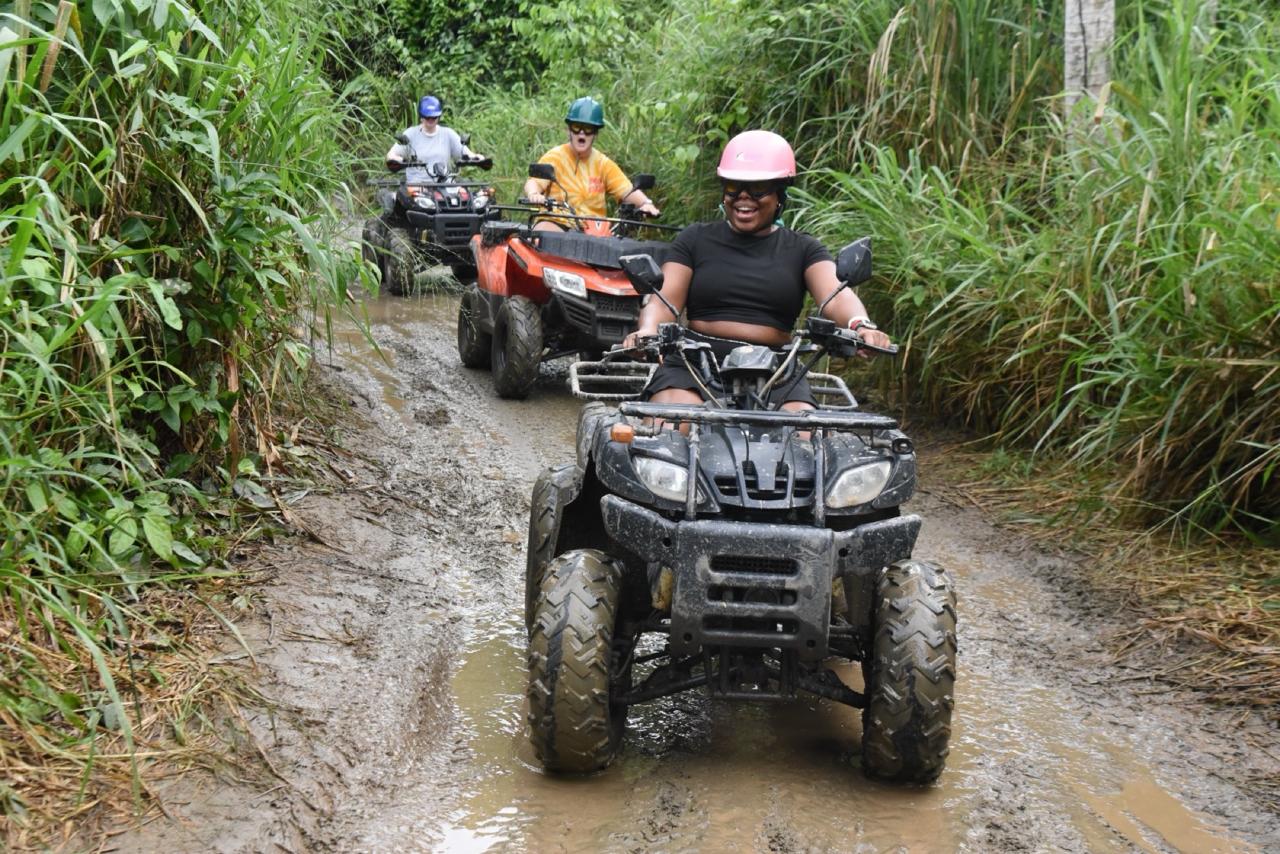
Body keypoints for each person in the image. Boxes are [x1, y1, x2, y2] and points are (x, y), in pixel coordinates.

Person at [623, 129, 893, 412]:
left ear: (779, 194)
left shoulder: (803, 248)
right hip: (693, 365)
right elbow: (664, 300)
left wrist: (860, 325)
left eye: (758, 189)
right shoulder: (695, 239)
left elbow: (836, 294)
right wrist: (648, 331)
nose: (743, 197)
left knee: (805, 440)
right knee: (674, 424)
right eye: (733, 187)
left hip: (778, 370)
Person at [522, 96, 660, 232]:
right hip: (557, 223)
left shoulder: (603, 164)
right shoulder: (555, 157)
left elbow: (627, 190)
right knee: (544, 233)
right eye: (577, 127)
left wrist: (646, 204)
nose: (582, 133)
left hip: (594, 232)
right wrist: (534, 194)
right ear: (568, 130)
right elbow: (534, 182)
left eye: (588, 129)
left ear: (595, 133)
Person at [385, 95, 486, 183]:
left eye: (433, 117)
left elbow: (464, 153)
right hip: (418, 186)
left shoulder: (448, 133)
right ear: (421, 116)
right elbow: (391, 155)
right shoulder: (411, 134)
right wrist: (398, 159)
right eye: (427, 117)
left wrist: (476, 157)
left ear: (438, 116)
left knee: (469, 198)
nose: (430, 120)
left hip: (445, 183)